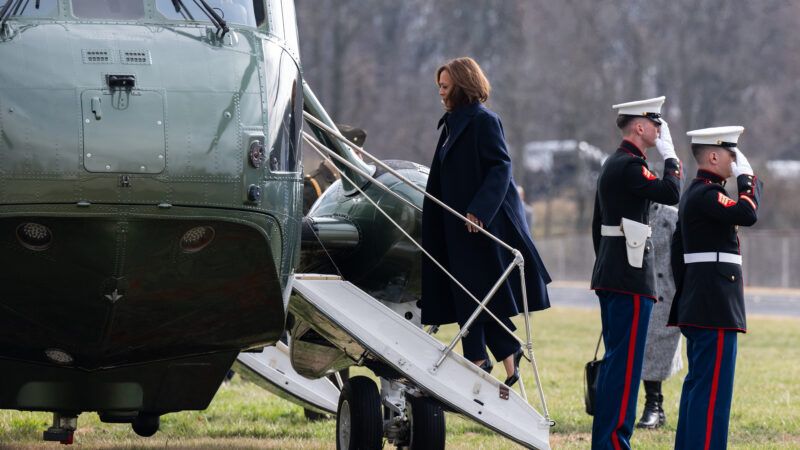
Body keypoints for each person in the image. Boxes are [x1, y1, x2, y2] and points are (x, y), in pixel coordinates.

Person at [419, 57, 551, 387]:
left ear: (462, 87)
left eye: (445, 87)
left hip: (479, 226)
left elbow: (500, 167)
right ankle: (501, 353)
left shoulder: (483, 120)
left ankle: (478, 358)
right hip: (454, 226)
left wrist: (479, 212)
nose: (440, 92)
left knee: (474, 292)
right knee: (473, 293)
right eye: (439, 86)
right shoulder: (450, 124)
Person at [590, 96, 682, 449]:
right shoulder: (630, 166)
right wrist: (671, 157)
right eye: (656, 125)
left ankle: (609, 441)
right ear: (640, 127)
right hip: (629, 277)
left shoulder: (614, 163)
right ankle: (614, 442)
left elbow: (596, 225)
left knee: (620, 363)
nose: (659, 132)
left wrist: (609, 265)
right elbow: (671, 191)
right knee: (626, 368)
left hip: (616, 272)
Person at [668, 126, 762, 449]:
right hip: (714, 306)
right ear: (712, 156)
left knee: (699, 388)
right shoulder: (707, 194)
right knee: (712, 396)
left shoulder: (695, 195)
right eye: (731, 154)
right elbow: (747, 213)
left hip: (702, 302)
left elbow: (676, 253)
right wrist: (748, 182)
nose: (736, 161)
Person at [636, 202, 683, 429]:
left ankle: (654, 406)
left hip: (668, 293)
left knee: (656, 349)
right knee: (644, 347)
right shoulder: (633, 213)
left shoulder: (671, 215)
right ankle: (653, 406)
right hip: (641, 288)